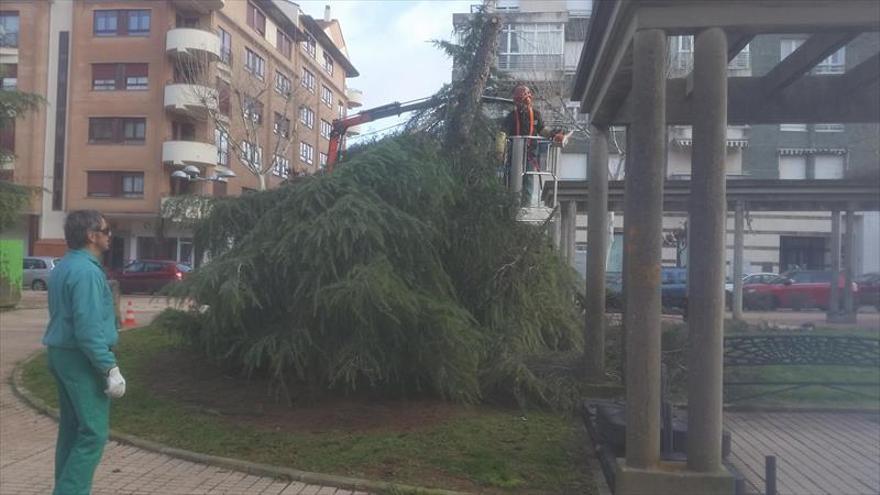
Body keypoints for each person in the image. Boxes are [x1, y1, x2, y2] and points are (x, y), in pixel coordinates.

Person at [42, 210, 125, 495]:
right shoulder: (87, 271)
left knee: (72, 429)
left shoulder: (65, 265)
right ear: (92, 235)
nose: (109, 235)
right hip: (81, 359)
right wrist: (109, 367)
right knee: (93, 433)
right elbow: (88, 328)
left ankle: (66, 488)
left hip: (61, 354)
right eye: (106, 230)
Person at [502, 84, 565, 204]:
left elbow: (542, 130)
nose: (522, 104)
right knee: (511, 179)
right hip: (513, 154)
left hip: (530, 154)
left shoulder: (535, 114)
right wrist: (500, 150)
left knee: (527, 179)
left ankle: (525, 204)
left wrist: (553, 134)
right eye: (520, 101)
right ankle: (511, 203)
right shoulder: (511, 117)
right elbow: (503, 133)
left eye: (524, 101)